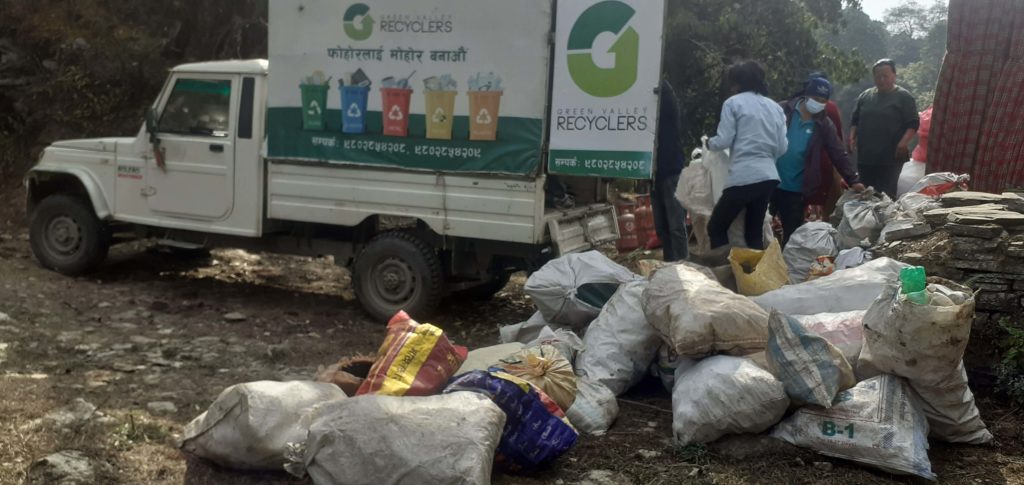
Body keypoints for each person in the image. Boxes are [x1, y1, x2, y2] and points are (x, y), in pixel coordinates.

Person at [706, 60, 788, 253]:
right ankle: (755, 278)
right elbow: (782, 146)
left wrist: (710, 143)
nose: (732, 88)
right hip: (768, 177)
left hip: (743, 176)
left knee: (716, 227)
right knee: (753, 233)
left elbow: (724, 140)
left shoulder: (733, 103)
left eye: (733, 83)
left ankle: (725, 273)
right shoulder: (775, 107)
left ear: (738, 83)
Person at [772, 77, 865, 245]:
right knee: (760, 228)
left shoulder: (823, 124)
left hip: (795, 188)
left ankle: (786, 268)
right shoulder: (782, 110)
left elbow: (838, 153)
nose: (818, 104)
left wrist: (853, 180)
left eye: (823, 101)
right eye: (815, 99)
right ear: (806, 95)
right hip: (768, 182)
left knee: (792, 236)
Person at [849, 59, 920, 199]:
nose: (881, 80)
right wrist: (851, 137)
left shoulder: (903, 97)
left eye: (885, 76)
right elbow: (855, 120)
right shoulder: (865, 96)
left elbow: (913, 123)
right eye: (878, 76)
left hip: (890, 158)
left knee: (886, 196)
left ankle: (886, 221)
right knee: (865, 195)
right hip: (866, 157)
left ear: (894, 75)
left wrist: (903, 143)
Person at [652, 78, 689, 262]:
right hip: (654, 174)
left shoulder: (666, 101)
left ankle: (683, 264)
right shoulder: (652, 113)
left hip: (671, 170)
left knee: (675, 226)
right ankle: (670, 265)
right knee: (662, 227)